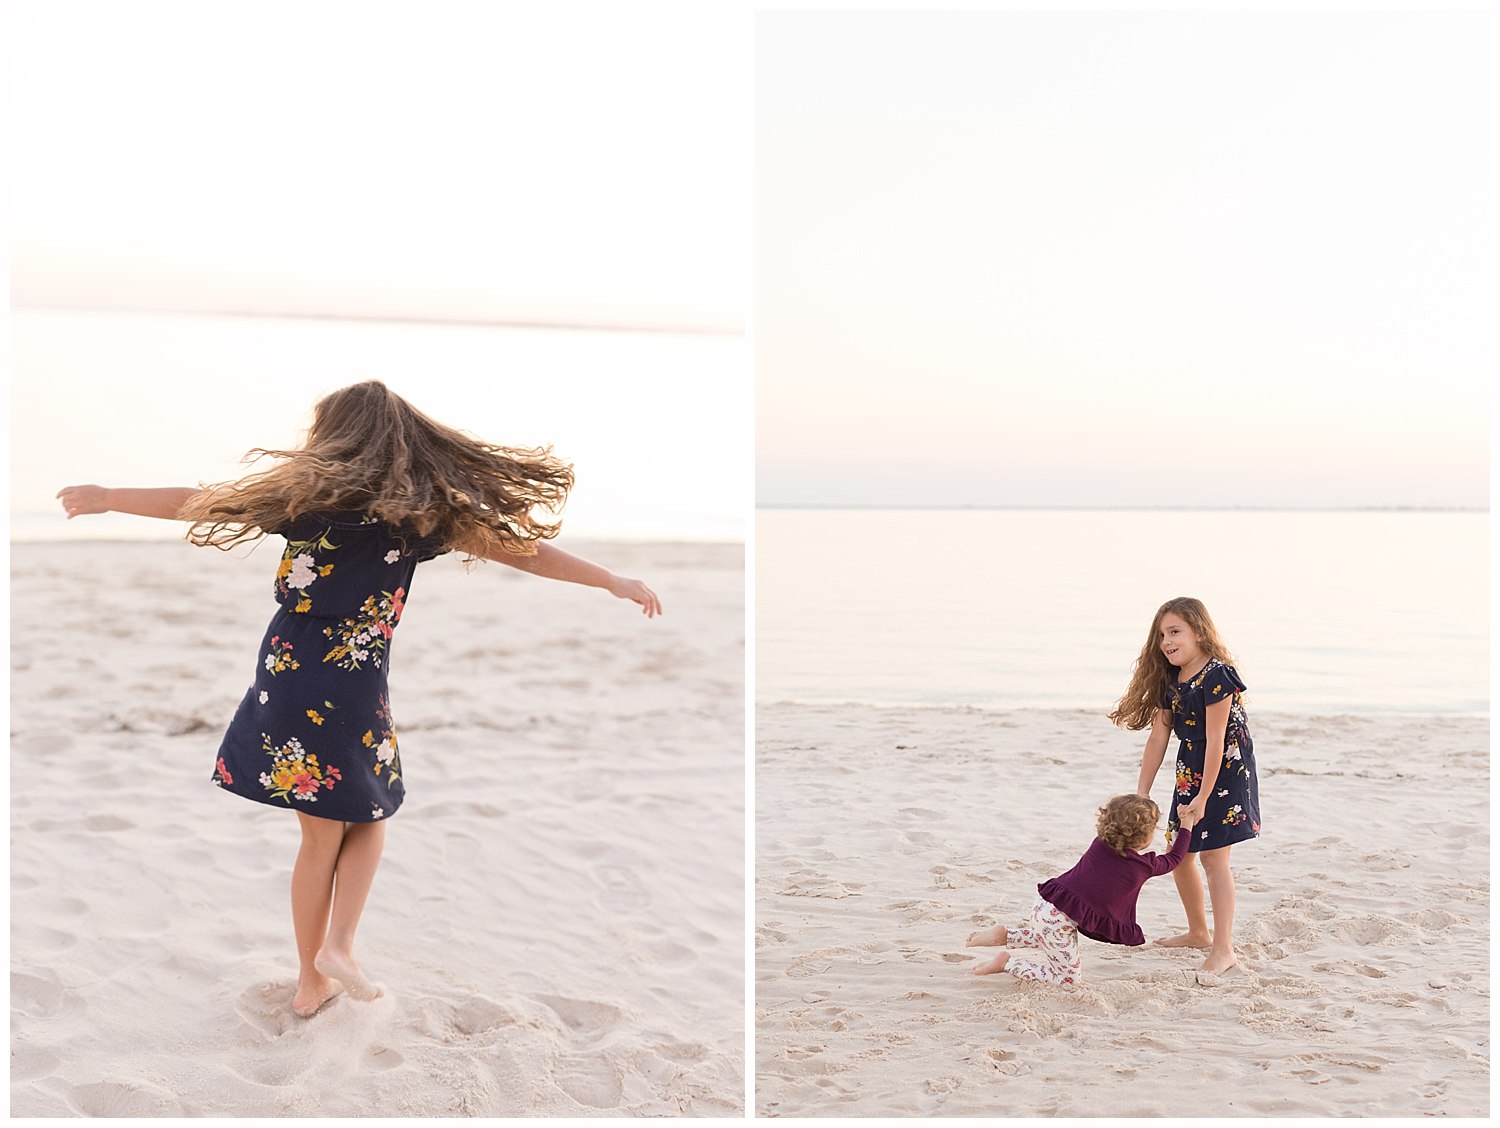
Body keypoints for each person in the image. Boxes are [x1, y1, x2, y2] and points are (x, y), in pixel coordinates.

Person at [57, 380, 662, 1018]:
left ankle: (310, 981)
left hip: (284, 671)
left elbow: (199, 501)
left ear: (333, 437)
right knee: (372, 812)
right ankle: (338, 949)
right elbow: (527, 553)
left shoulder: (304, 504)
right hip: (352, 677)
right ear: (406, 442)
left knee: (320, 836)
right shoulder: (423, 518)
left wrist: (108, 498)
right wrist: (611, 581)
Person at [1108, 596, 1259, 975]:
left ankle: (1224, 949)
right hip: (1191, 768)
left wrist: (1205, 797)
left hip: (1225, 769)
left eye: (1175, 632)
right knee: (1181, 853)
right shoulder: (1171, 680)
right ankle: (1198, 931)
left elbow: (1217, 738)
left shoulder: (1218, 676)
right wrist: (1142, 792)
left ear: (1199, 632)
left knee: (1213, 859)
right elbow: (1158, 737)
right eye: (1161, 635)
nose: (1167, 641)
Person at [966, 794, 1192, 984]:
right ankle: (1008, 963)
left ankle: (1005, 935)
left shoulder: (1100, 843)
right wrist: (1186, 825)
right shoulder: (1142, 867)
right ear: (1145, 837)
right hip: (1058, 922)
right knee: (1067, 980)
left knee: (1046, 937)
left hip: (1046, 907)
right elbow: (1174, 859)